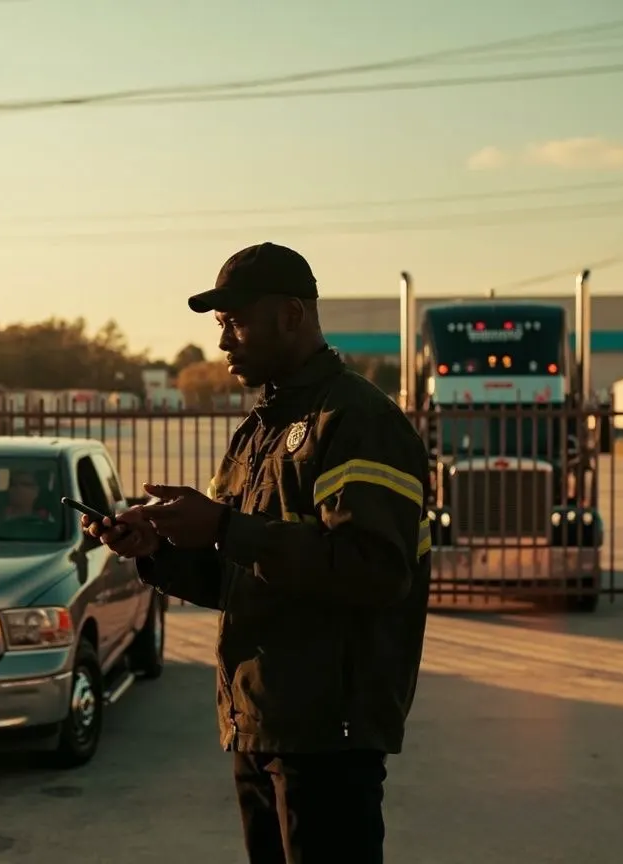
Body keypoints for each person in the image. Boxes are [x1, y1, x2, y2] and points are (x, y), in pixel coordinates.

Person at [83, 242, 432, 864]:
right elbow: (238, 578)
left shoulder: (357, 419)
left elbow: (374, 571)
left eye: (237, 322)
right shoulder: (260, 430)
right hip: (260, 720)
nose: (223, 343)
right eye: (221, 325)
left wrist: (221, 522)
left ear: (292, 316)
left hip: (328, 733)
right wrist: (157, 551)